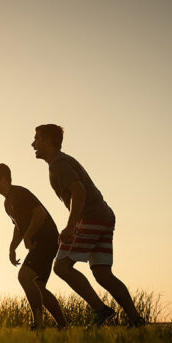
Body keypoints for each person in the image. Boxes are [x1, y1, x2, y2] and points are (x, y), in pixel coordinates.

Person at [32, 124, 145, 327]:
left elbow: (79, 193)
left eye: (37, 139)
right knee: (103, 274)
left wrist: (70, 226)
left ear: (48, 141)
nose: (33, 144)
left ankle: (100, 310)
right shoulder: (61, 162)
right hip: (104, 216)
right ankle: (136, 320)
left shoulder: (59, 163)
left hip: (91, 217)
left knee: (62, 267)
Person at [0, 163, 67, 330]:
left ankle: (38, 324)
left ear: (4, 179)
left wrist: (28, 236)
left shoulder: (20, 193)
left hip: (46, 241)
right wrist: (12, 248)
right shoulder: (8, 203)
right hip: (40, 244)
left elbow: (40, 214)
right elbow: (18, 227)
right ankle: (64, 326)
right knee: (38, 287)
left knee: (24, 276)